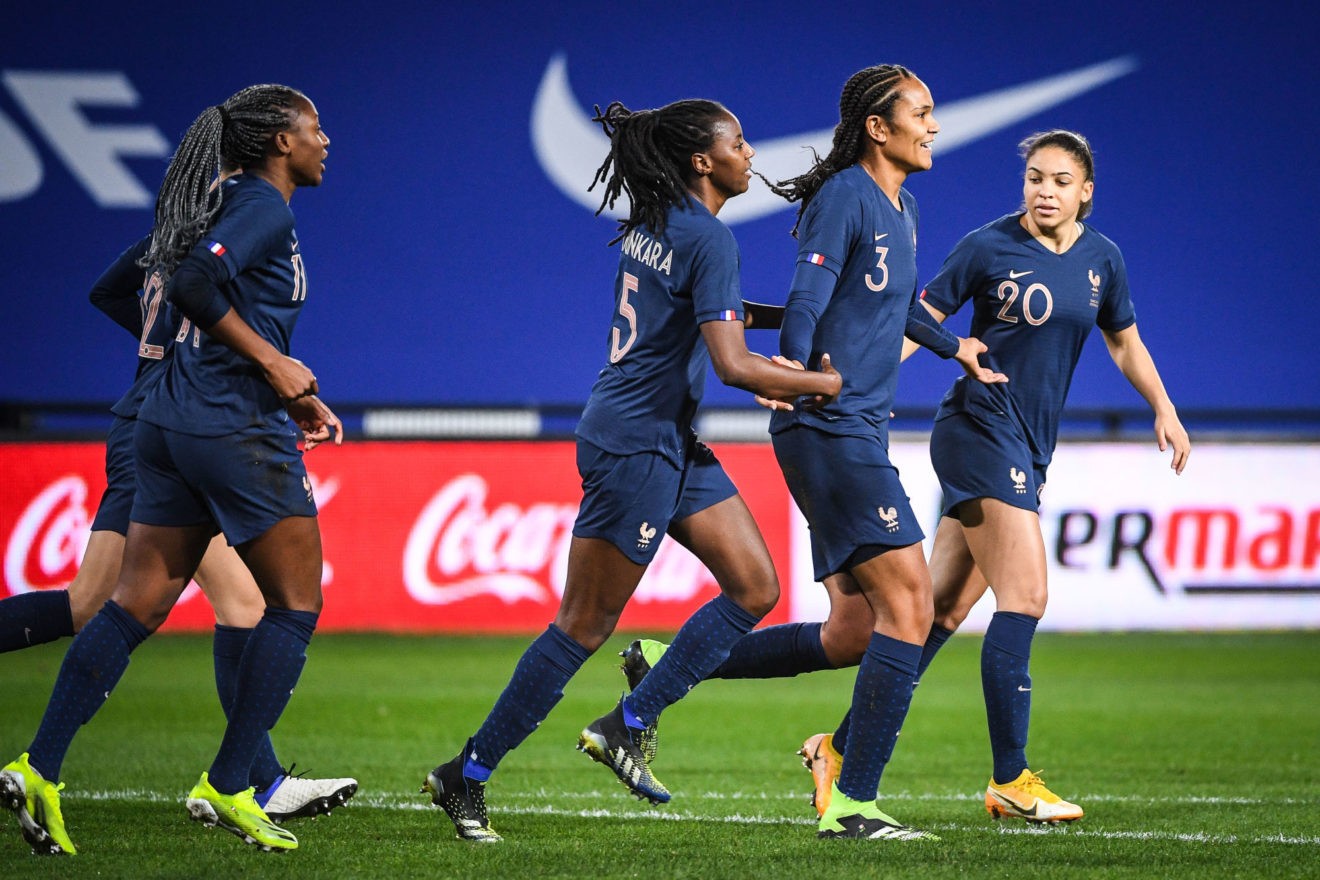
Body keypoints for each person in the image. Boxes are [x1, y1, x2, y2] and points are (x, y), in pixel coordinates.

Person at [421, 97, 842, 843]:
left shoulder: (659, 220)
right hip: (635, 444)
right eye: (738, 142)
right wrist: (824, 382)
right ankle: (468, 774)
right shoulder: (709, 235)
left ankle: (629, 722)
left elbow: (712, 309)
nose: (751, 153)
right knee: (581, 627)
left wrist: (793, 316)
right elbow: (733, 363)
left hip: (663, 436)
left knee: (755, 586)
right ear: (701, 161)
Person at [0, 83, 340, 855]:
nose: (327, 140)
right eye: (315, 127)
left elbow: (156, 294)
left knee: (127, 605)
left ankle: (39, 766)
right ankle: (236, 783)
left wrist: (205, 355)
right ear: (279, 143)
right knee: (290, 604)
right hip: (228, 427)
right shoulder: (263, 206)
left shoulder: (194, 212)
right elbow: (192, 288)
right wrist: (275, 367)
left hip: (161, 422)